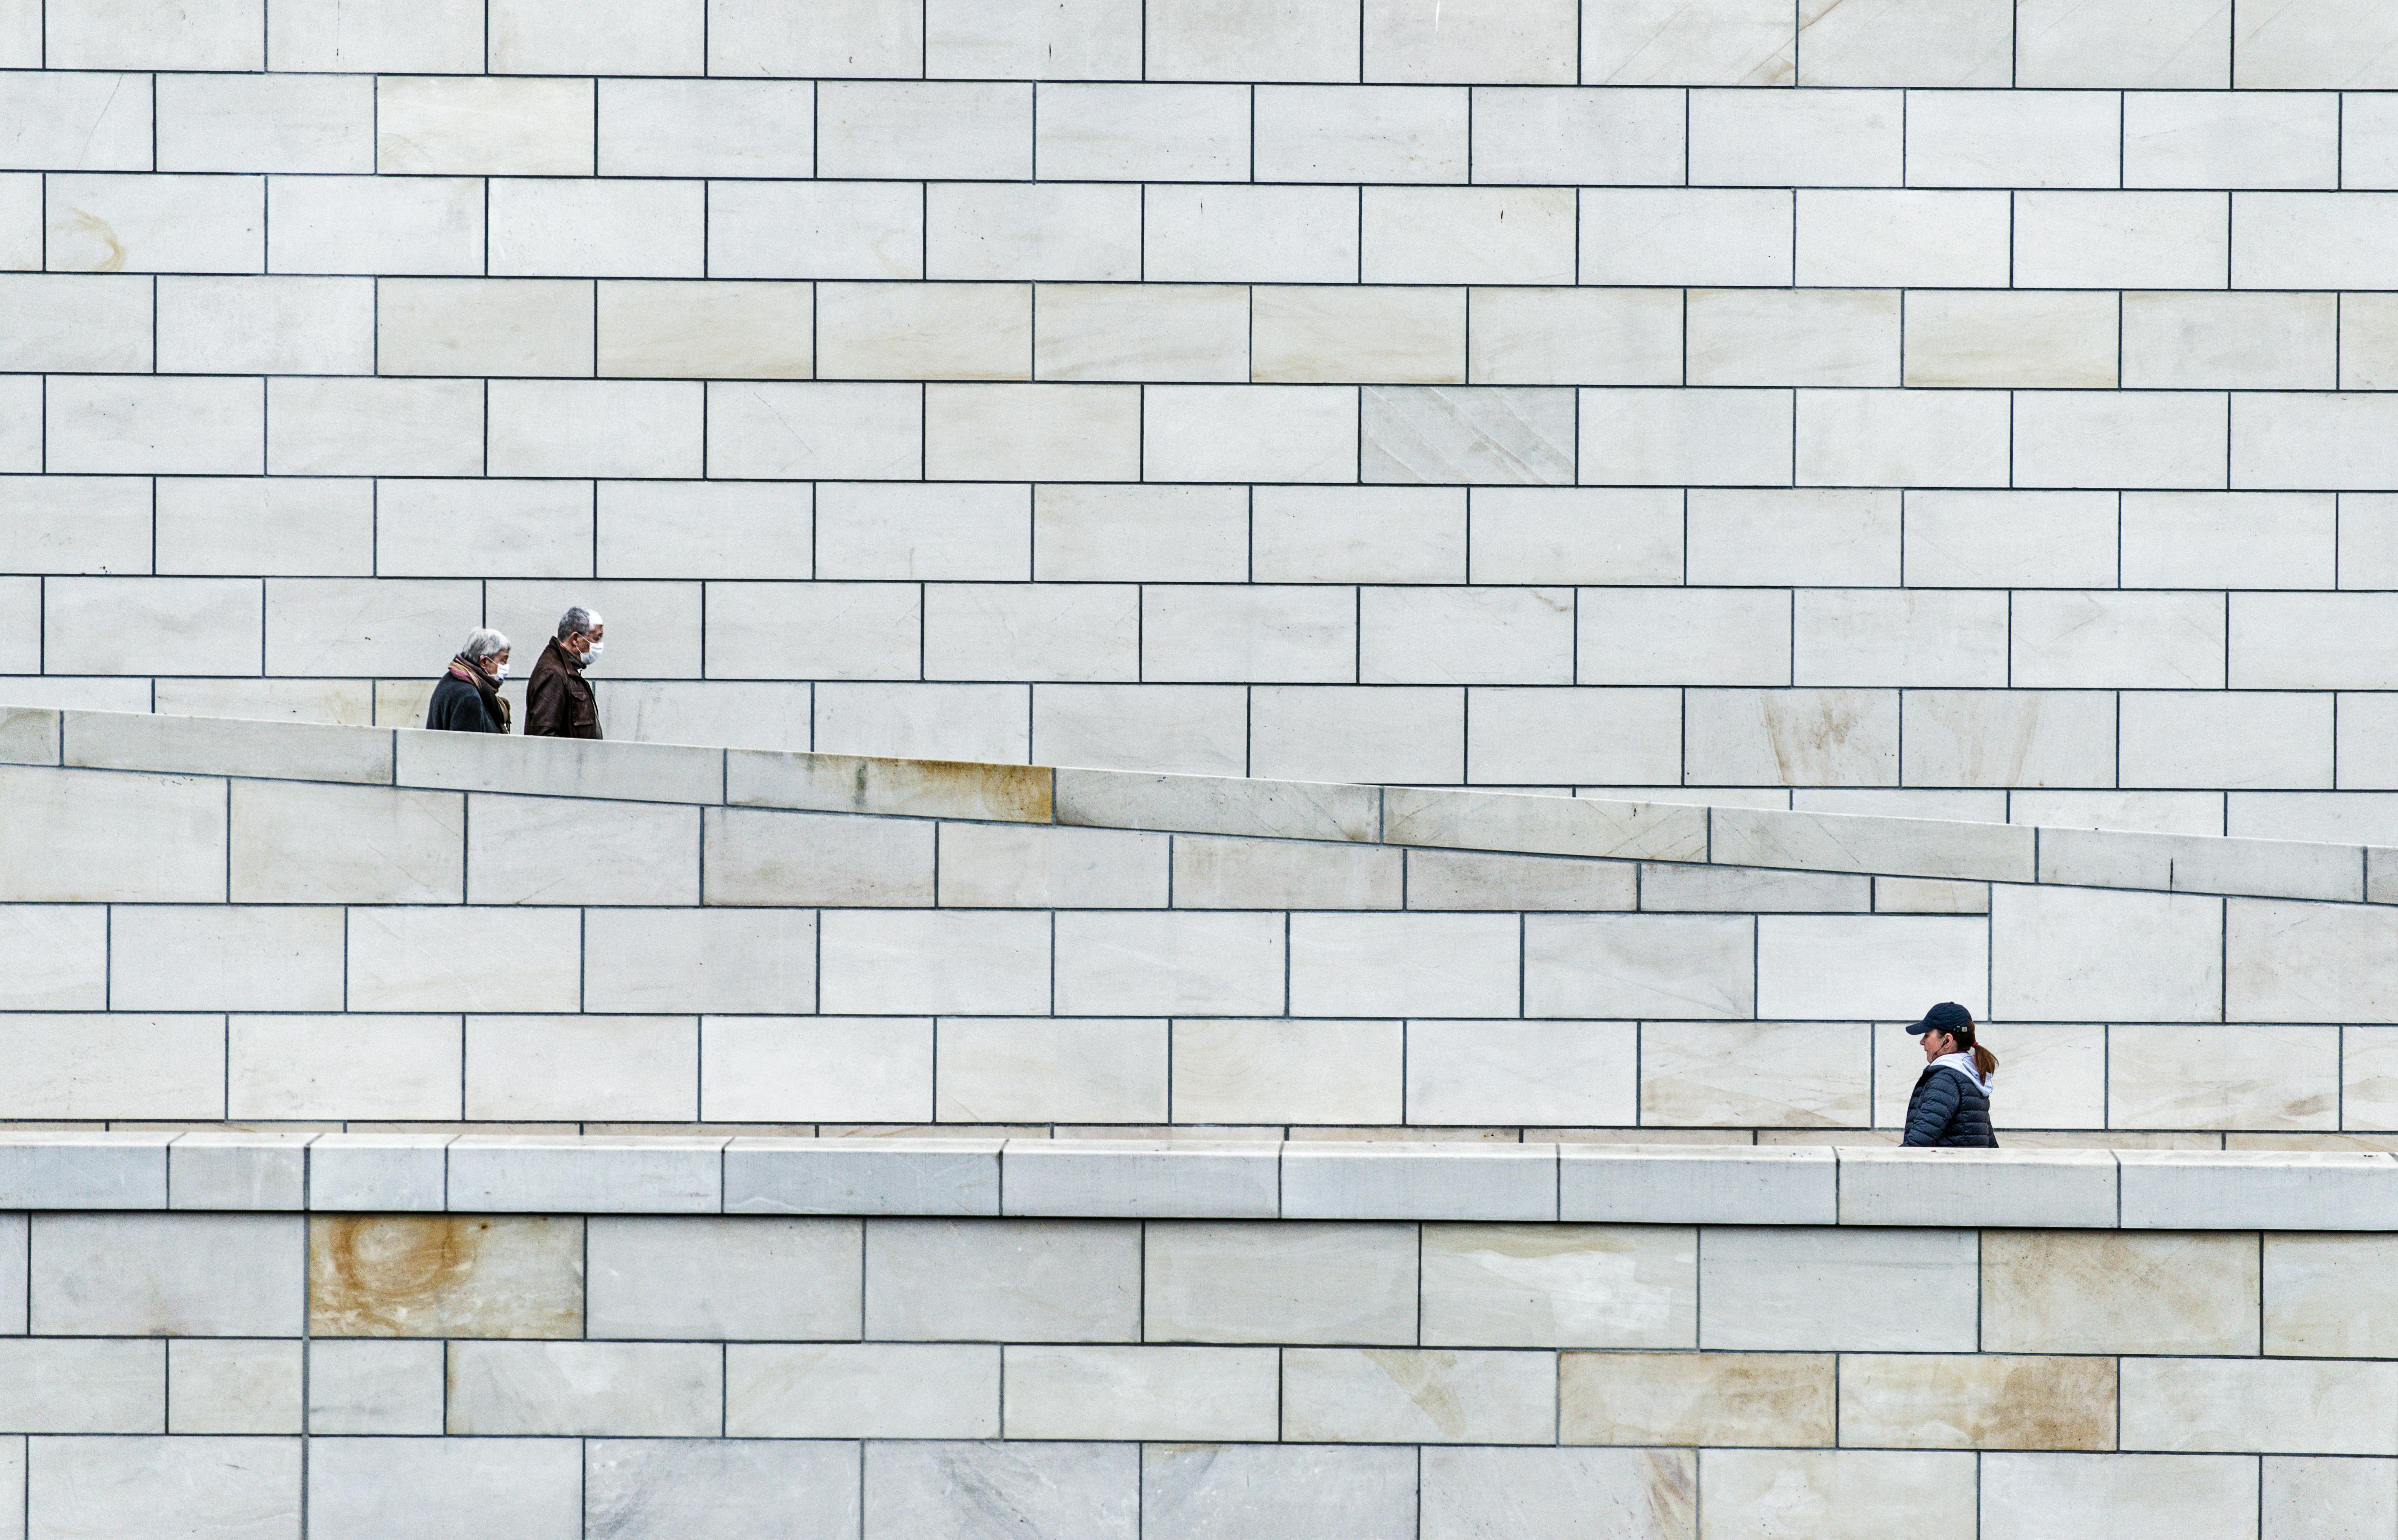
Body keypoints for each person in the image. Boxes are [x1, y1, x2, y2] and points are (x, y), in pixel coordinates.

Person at [1901, 1002, 1998, 1147]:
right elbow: (1991, 1147)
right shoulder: (1969, 1076)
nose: (1922, 1042)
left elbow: (1918, 1145)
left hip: (1945, 1170)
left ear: (1947, 1041)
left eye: (1927, 1035)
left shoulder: (1945, 1081)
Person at [525, 606, 604, 739]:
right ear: (576, 639)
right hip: (567, 761)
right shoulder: (553, 674)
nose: (599, 644)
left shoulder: (565, 670)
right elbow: (544, 738)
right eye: (596, 639)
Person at [424, 629, 510, 733]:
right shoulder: (469, 697)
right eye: (503, 660)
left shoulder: (451, 680)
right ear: (484, 662)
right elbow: (467, 748)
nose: (506, 666)